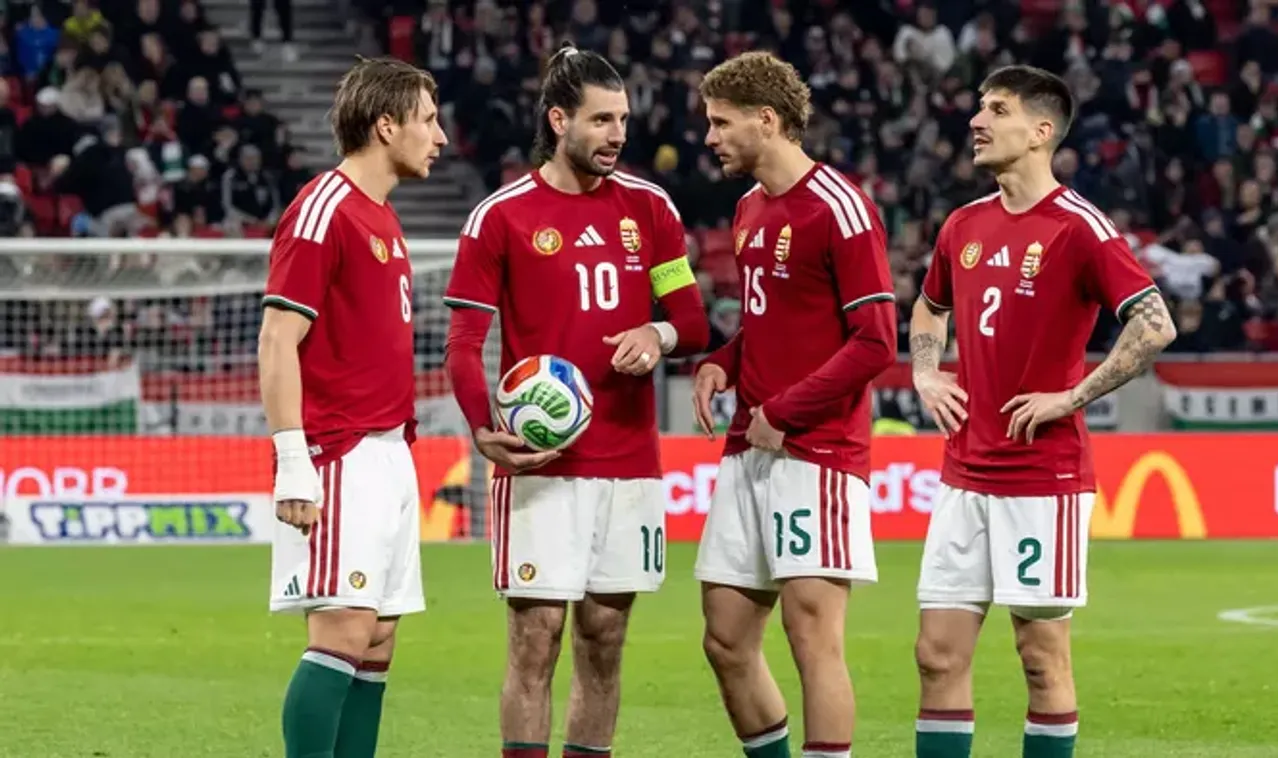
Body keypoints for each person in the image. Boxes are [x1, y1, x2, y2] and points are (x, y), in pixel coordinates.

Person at [443, 44, 709, 758]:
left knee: (604, 638)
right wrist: (482, 427)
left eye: (622, 119)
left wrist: (656, 332)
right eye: (600, 120)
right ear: (558, 120)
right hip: (542, 466)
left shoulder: (649, 209)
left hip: (629, 461)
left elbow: (692, 322)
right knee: (535, 639)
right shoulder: (500, 216)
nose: (617, 134)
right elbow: (463, 344)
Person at [908, 65, 1176, 758]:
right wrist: (925, 372)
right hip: (964, 472)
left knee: (1039, 659)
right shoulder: (962, 224)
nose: (976, 121)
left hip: (1041, 477)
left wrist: (1072, 395)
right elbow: (929, 307)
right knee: (936, 655)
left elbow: (1154, 324)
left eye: (996, 110)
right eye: (979, 107)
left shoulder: (1077, 227)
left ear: (1040, 131)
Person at [691, 51, 898, 758]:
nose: (711, 137)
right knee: (725, 638)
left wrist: (785, 411)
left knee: (812, 635)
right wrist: (723, 361)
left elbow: (876, 340)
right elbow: (770, 320)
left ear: (766, 120)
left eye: (722, 123)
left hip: (818, 451)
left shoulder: (839, 207)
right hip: (751, 445)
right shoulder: (749, 208)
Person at [258, 57, 446, 758]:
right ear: (386, 125)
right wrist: (293, 460)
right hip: (338, 451)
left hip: (389, 449)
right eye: (428, 120)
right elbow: (277, 338)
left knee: (377, 639)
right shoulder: (323, 208)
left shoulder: (382, 217)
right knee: (342, 628)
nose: (440, 137)